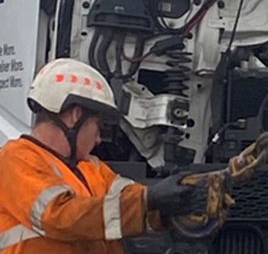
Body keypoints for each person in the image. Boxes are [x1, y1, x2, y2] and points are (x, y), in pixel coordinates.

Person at [0, 58, 209, 253]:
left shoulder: (91, 168)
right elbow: (59, 217)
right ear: (76, 115)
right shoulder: (15, 159)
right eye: (98, 126)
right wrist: (150, 198)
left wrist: (174, 204)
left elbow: (129, 203)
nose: (99, 138)